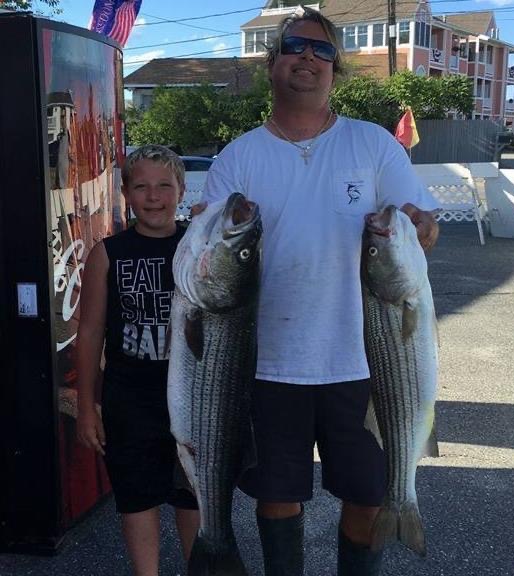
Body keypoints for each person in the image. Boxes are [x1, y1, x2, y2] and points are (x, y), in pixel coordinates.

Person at [202, 7, 440, 576]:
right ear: (273, 62)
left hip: (366, 361)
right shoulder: (239, 156)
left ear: (336, 69)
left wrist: (423, 225)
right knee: (278, 498)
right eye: (294, 46)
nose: (308, 57)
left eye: (323, 50)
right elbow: (210, 252)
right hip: (266, 364)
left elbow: (417, 223)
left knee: (368, 496)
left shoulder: (373, 144)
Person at [76, 145, 199, 576]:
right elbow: (90, 332)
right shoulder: (107, 253)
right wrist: (87, 405)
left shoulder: (198, 248)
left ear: (181, 190)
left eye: (164, 185)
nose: (154, 196)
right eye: (142, 186)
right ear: (125, 193)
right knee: (137, 497)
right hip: (129, 396)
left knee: (192, 494)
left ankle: (197, 568)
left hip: (192, 395)